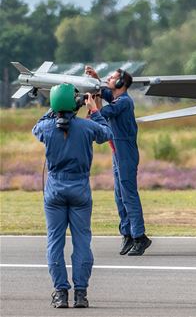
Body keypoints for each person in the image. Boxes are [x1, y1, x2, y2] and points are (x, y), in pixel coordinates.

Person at [33, 84, 113, 308]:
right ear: (74, 103)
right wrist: (94, 111)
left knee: (54, 242)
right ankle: (80, 294)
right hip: (79, 187)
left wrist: (55, 108)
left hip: (55, 188)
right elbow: (107, 133)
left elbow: (36, 126)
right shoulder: (87, 127)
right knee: (82, 242)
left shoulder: (46, 128)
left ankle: (60, 293)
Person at [84, 66, 152, 256]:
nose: (108, 80)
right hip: (117, 151)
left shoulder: (124, 102)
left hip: (126, 151)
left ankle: (140, 237)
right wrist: (95, 79)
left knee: (128, 194)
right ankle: (127, 234)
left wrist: (92, 107)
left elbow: (100, 114)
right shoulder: (116, 97)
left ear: (121, 83)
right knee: (119, 196)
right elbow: (102, 93)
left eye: (112, 78)